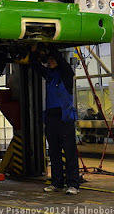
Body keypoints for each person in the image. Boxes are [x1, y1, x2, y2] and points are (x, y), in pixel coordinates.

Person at [29, 44, 79, 195]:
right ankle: (57, 182)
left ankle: (73, 184)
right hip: (51, 119)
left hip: (65, 119)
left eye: (52, 59)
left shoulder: (66, 75)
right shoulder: (49, 76)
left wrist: (50, 47)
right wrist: (33, 52)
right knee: (54, 152)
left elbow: (61, 61)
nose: (49, 61)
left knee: (69, 153)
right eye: (48, 60)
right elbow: (36, 66)